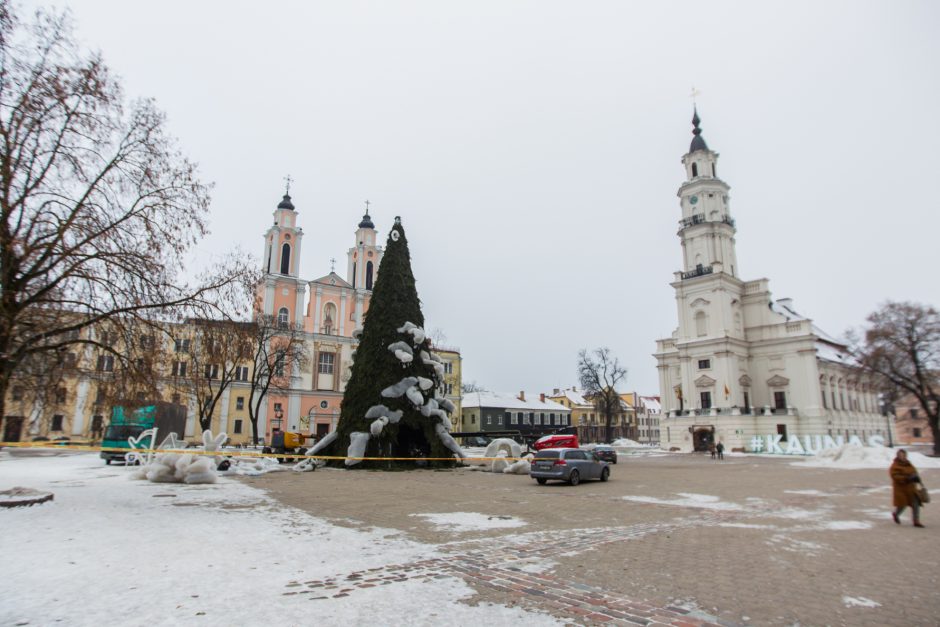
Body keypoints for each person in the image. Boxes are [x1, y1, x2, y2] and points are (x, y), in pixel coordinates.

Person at [890, 449, 924, 528]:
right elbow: (895, 476)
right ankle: (896, 514)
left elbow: (914, 471)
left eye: (904, 455)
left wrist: (916, 477)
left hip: (911, 488)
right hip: (901, 489)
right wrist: (907, 478)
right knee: (902, 505)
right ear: (897, 456)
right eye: (900, 455)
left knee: (916, 504)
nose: (902, 457)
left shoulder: (909, 464)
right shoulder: (895, 465)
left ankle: (916, 521)